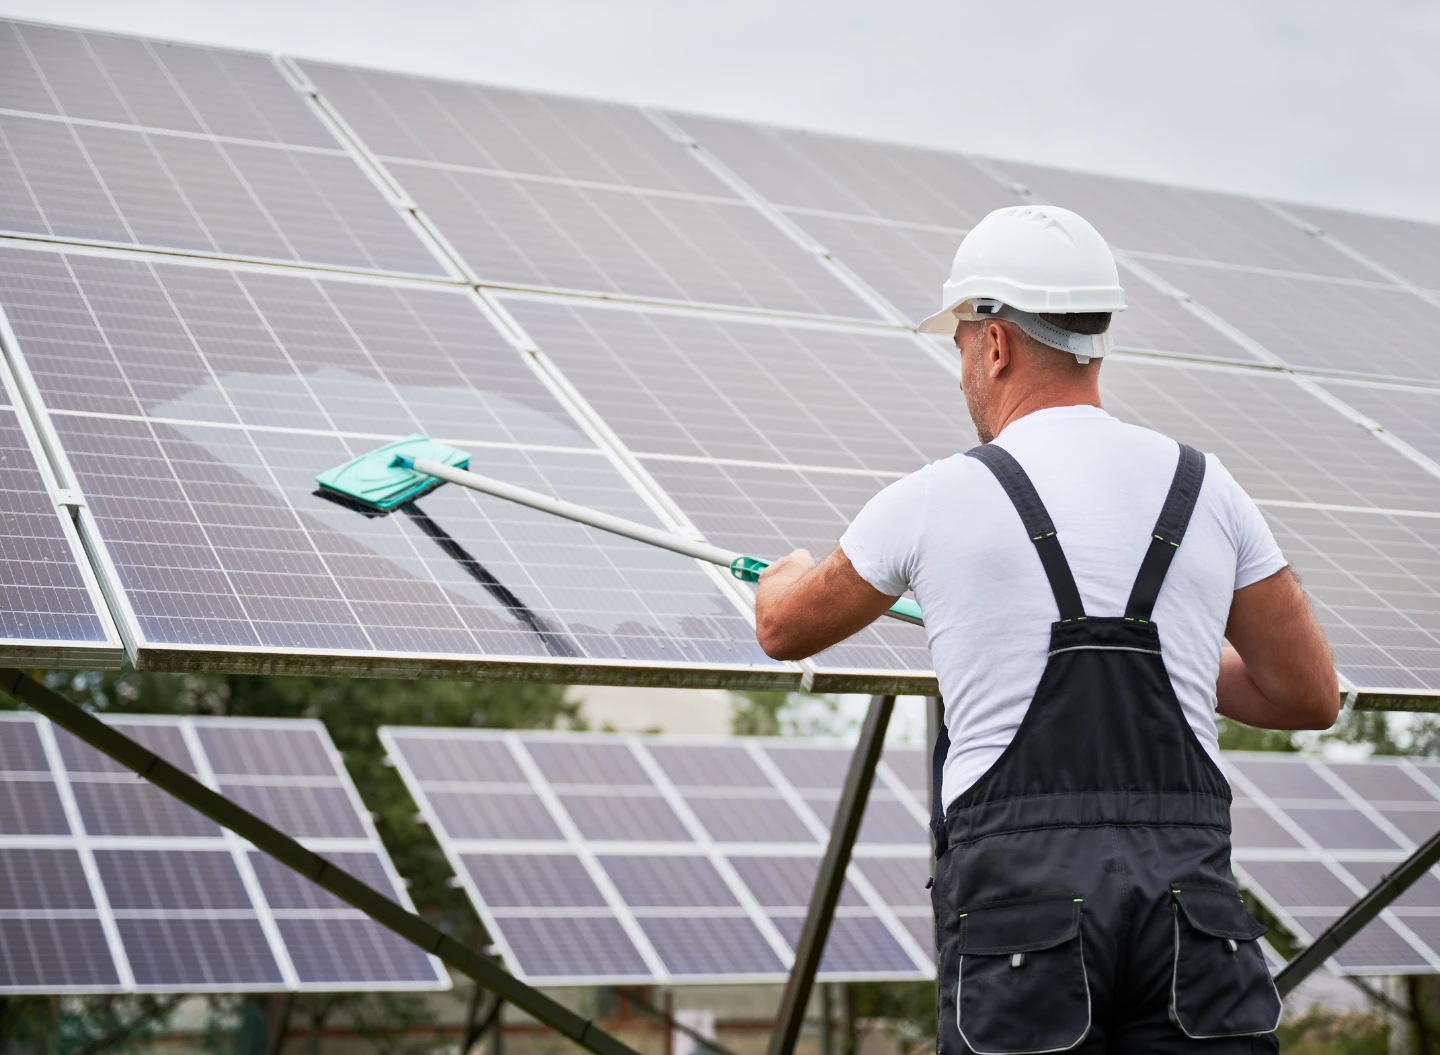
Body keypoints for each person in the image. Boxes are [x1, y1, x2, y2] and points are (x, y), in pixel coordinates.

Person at [753, 205, 1339, 1054]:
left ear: (994, 342)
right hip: (1192, 920)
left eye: (957, 343)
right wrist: (1172, 643)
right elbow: (1307, 695)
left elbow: (783, 628)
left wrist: (781, 574)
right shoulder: (1209, 489)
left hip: (1021, 925)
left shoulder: (933, 498)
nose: (960, 368)